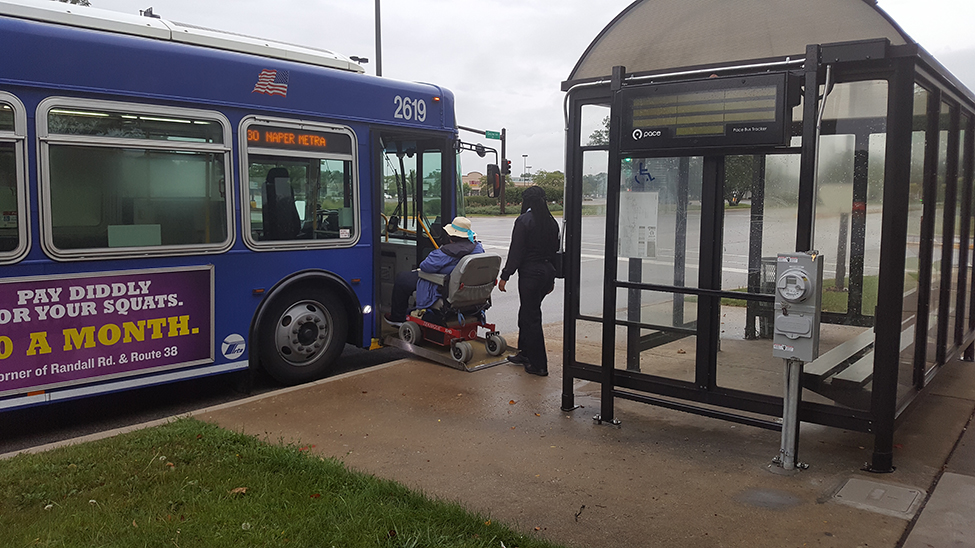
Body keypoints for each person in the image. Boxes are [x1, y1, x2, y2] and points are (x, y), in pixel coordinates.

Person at [498, 186, 559, 376]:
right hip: (547, 271)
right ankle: (524, 353)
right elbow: (555, 251)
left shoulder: (524, 221)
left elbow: (516, 251)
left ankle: (539, 364)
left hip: (531, 274)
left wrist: (505, 275)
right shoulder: (552, 222)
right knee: (527, 312)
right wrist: (552, 278)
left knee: (531, 318)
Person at [385, 216, 484, 326]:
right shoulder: (478, 248)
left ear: (450, 236)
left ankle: (397, 318)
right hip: (467, 287)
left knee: (402, 279)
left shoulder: (446, 252)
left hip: (442, 284)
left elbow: (425, 266)